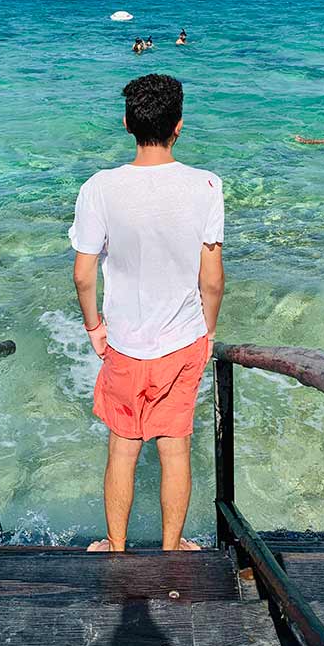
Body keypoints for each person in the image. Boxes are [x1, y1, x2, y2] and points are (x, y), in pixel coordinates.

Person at [69, 73, 225, 553]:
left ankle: (115, 545)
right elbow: (213, 280)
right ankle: (171, 546)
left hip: (126, 342)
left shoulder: (100, 187)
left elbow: (83, 273)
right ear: (179, 126)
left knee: (123, 447)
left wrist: (95, 326)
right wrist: (209, 332)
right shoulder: (205, 185)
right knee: (174, 447)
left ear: (126, 124)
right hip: (183, 340)